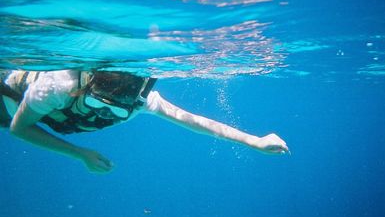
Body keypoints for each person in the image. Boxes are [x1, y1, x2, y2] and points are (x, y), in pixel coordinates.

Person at [0, 69, 289, 173]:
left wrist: (253, 140)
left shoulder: (140, 100)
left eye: (113, 112)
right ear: (86, 87)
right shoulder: (57, 86)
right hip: (7, 99)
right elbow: (19, 128)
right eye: (96, 104)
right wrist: (79, 154)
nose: (101, 115)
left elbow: (192, 121)